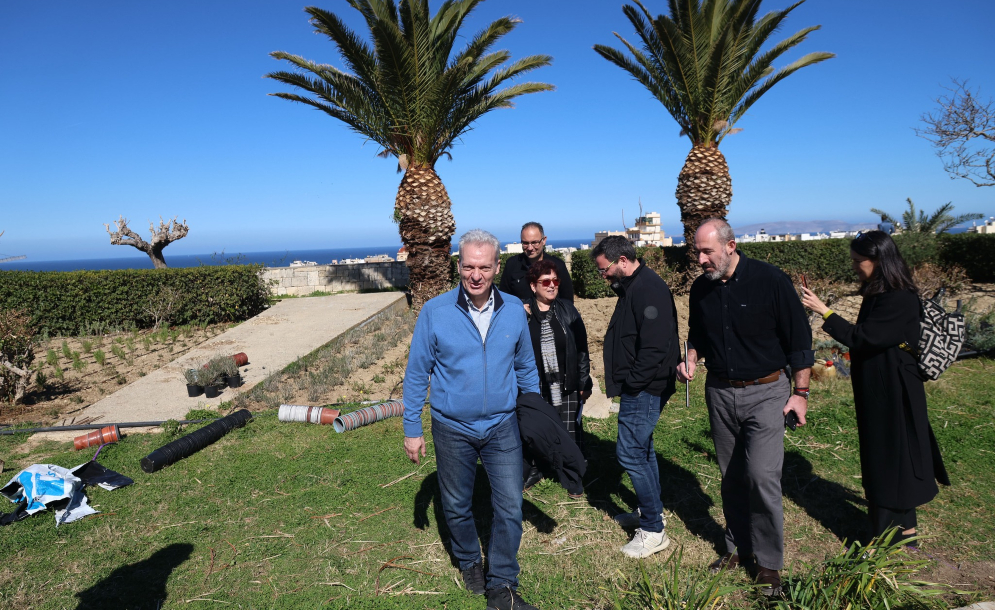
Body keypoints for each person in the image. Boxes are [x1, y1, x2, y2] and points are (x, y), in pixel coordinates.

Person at [402, 229, 542, 610]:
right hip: (452, 427)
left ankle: (502, 583)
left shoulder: (513, 310)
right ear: (458, 266)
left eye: (483, 267)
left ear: (497, 267)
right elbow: (417, 373)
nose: (475, 275)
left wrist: (533, 419)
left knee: (510, 505)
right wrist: (412, 429)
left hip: (502, 424)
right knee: (456, 503)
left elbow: (526, 368)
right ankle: (468, 561)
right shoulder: (435, 312)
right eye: (468, 267)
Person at [676, 218, 814, 596]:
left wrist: (800, 393)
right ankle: (738, 547)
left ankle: (768, 564)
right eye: (697, 252)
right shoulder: (701, 289)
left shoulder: (771, 281)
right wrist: (690, 359)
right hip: (720, 392)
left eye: (707, 251)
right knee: (732, 475)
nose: (701, 259)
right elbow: (697, 336)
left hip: (767, 392)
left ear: (731, 246)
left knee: (761, 476)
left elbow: (800, 340)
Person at [801, 230, 949, 547]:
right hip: (884, 386)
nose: (854, 266)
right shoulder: (882, 292)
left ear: (878, 260)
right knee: (891, 455)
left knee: (889, 458)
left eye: (859, 261)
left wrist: (824, 311)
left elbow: (863, 337)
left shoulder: (898, 298)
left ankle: (886, 538)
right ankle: (904, 532)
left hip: (893, 390)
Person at [592, 235, 680, 558]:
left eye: (604, 269)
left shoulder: (648, 288)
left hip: (644, 388)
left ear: (623, 261)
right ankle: (649, 510)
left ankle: (653, 530)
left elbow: (655, 347)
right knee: (642, 449)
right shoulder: (633, 285)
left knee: (630, 453)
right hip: (640, 385)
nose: (603, 276)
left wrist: (633, 384)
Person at [521, 258, 593, 493]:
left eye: (555, 280)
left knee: (569, 431)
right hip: (534, 385)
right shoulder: (522, 312)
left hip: (566, 383)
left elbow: (582, 349)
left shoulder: (567, 310)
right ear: (533, 286)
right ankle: (537, 468)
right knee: (535, 430)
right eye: (545, 281)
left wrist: (584, 381)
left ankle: (573, 476)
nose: (552, 285)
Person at [499, 222, 574, 303]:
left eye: (534, 242)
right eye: (525, 243)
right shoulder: (512, 264)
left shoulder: (558, 265)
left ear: (544, 240)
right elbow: (504, 298)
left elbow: (567, 301)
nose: (530, 248)